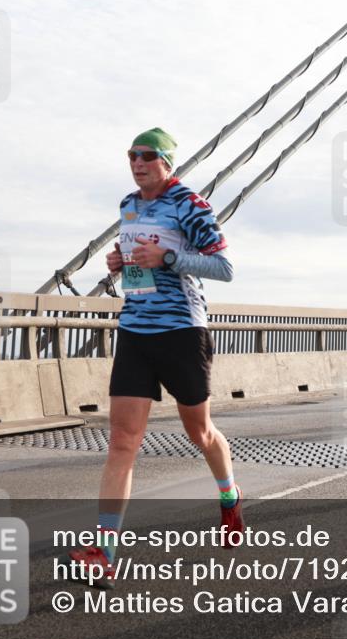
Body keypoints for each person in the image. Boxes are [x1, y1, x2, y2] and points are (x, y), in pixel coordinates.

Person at [63, 128, 243, 588]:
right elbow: (138, 257)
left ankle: (229, 496)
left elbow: (223, 268)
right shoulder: (129, 204)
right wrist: (122, 264)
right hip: (136, 328)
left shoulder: (191, 204)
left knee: (199, 432)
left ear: (167, 162)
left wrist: (167, 258)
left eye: (146, 156)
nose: (137, 162)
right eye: (131, 155)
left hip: (183, 331)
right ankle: (104, 551)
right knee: (123, 441)